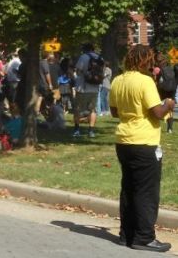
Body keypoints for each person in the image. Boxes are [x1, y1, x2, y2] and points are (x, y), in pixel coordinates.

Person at [110, 45, 174, 252]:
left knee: (128, 188)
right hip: (144, 142)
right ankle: (144, 237)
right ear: (145, 61)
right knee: (146, 191)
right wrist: (169, 105)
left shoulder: (118, 80)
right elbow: (157, 112)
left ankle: (126, 234)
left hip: (124, 141)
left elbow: (113, 112)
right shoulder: (145, 81)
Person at [74, 43, 101, 138]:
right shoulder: (99, 58)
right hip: (95, 88)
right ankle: (91, 131)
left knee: (77, 108)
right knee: (92, 110)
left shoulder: (83, 57)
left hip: (82, 88)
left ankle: (77, 130)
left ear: (85, 49)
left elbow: (78, 71)